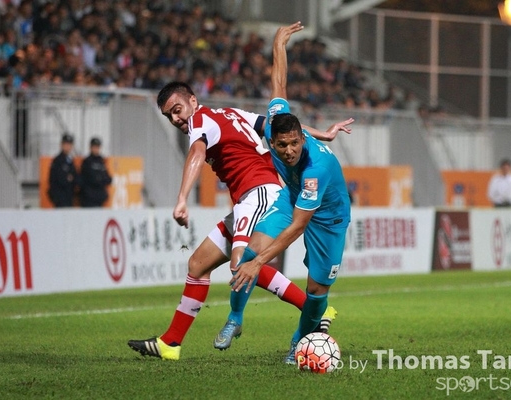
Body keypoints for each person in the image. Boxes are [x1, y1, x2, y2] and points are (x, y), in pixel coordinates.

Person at [127, 81, 353, 360]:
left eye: (177, 110)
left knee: (241, 265)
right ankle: (170, 343)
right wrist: (323, 134)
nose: (176, 119)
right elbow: (275, 126)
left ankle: (314, 310)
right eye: (168, 116)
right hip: (250, 198)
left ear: (193, 101)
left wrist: (182, 198)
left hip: (257, 194)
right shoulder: (228, 113)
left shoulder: (200, 120)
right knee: (198, 264)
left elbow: (197, 153)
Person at [227, 22, 352, 365]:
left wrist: (261, 265)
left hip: (327, 217)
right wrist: (279, 43)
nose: (289, 151)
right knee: (249, 252)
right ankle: (234, 319)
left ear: (302, 138)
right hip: (291, 197)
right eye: (282, 145)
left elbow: (298, 226)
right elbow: (279, 84)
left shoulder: (316, 169)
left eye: (295, 143)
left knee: (316, 291)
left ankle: (299, 342)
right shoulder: (275, 123)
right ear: (274, 138)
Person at [48, 133, 79, 207]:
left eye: (69, 144)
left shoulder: (70, 160)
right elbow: (57, 179)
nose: (67, 147)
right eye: (65, 144)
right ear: (61, 145)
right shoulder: (57, 160)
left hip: (69, 196)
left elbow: (74, 176)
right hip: (60, 197)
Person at [80, 137, 112, 207]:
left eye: (97, 147)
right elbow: (88, 179)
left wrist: (101, 179)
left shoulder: (101, 161)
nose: (96, 149)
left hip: (100, 198)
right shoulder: (87, 162)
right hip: (89, 199)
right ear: (90, 147)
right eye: (94, 147)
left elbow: (107, 178)